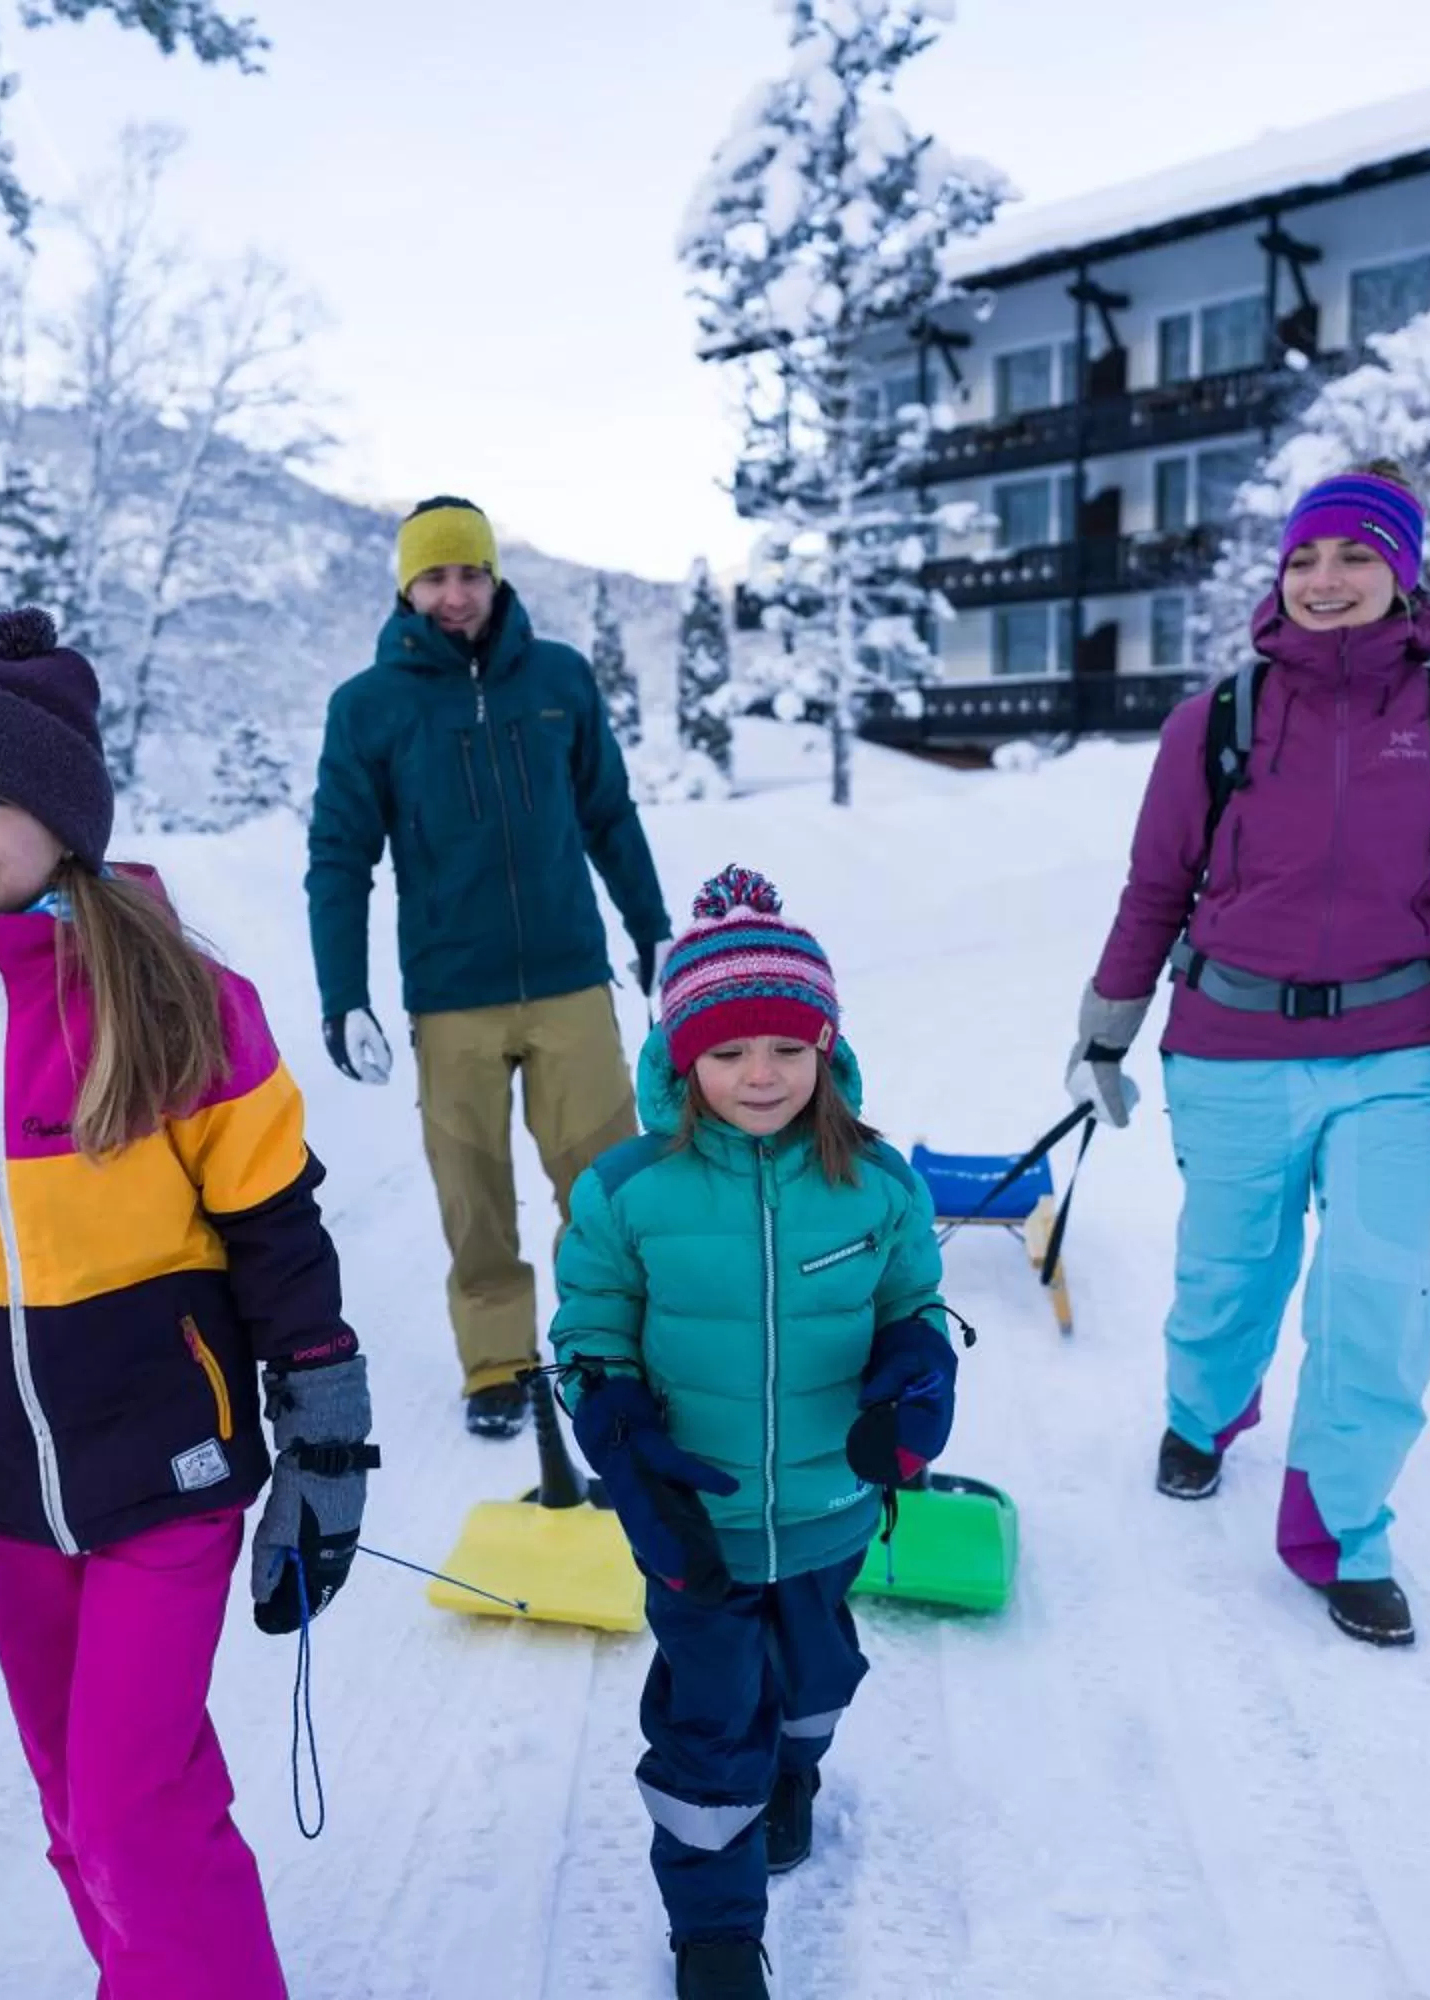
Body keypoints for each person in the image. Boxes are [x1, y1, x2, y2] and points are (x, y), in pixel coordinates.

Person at [0, 609, 377, 1997]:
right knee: (81, 1806)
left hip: (169, 1471)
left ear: (64, 818)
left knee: (123, 1807)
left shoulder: (181, 1002)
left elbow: (277, 1232)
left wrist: (327, 1432)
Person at [1068, 464, 1430, 1648]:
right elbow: (1156, 887)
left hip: (1394, 1050)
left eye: (1356, 557)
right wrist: (1104, 1032)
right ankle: (1205, 1409)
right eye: (1305, 560)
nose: (1326, 581)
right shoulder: (1215, 719)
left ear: (1404, 572)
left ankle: (1341, 1526)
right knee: (1232, 1266)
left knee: (1380, 1292)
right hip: (1229, 1044)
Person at [550, 866, 955, 2000]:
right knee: (708, 1715)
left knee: (817, 1678)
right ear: (683, 1061)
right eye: (728, 1052)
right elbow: (590, 1329)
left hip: (831, 1509)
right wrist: (618, 1426)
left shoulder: (873, 1180)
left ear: (826, 1048)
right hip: (697, 1520)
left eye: (785, 1046)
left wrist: (922, 1369)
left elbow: (913, 1305)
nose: (759, 1073)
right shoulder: (627, 1188)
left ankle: (796, 1768)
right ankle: (716, 1928)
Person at [307, 494, 673, 1439]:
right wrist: (344, 996)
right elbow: (340, 858)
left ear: (494, 576)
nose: (456, 593)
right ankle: (499, 1364)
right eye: (435, 576)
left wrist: (653, 929)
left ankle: (605, 1355)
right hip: (452, 993)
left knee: (603, 1188)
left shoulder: (558, 680)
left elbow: (609, 814)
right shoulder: (369, 707)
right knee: (473, 1201)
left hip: (569, 981)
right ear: (406, 587)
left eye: (470, 572)